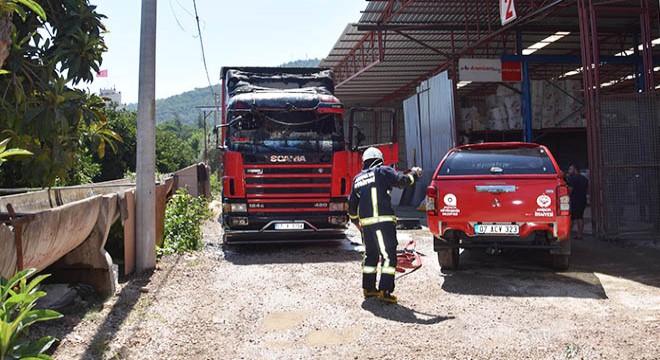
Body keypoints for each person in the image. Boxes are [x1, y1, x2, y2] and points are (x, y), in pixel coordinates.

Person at [348, 147, 422, 304]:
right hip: (383, 223)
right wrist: (414, 174)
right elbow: (402, 181)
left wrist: (356, 222)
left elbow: (352, 206)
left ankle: (369, 289)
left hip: (366, 225)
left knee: (371, 255)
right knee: (388, 256)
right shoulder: (382, 171)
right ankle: (385, 291)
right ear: (378, 159)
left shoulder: (358, 179)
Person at [567, 164, 589, 239]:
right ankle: (580, 234)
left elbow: (570, 190)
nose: (569, 171)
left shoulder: (572, 179)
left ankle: (567, 234)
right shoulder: (584, 179)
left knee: (571, 218)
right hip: (582, 199)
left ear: (575, 170)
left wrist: (566, 197)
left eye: (570, 169)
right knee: (580, 217)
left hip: (574, 200)